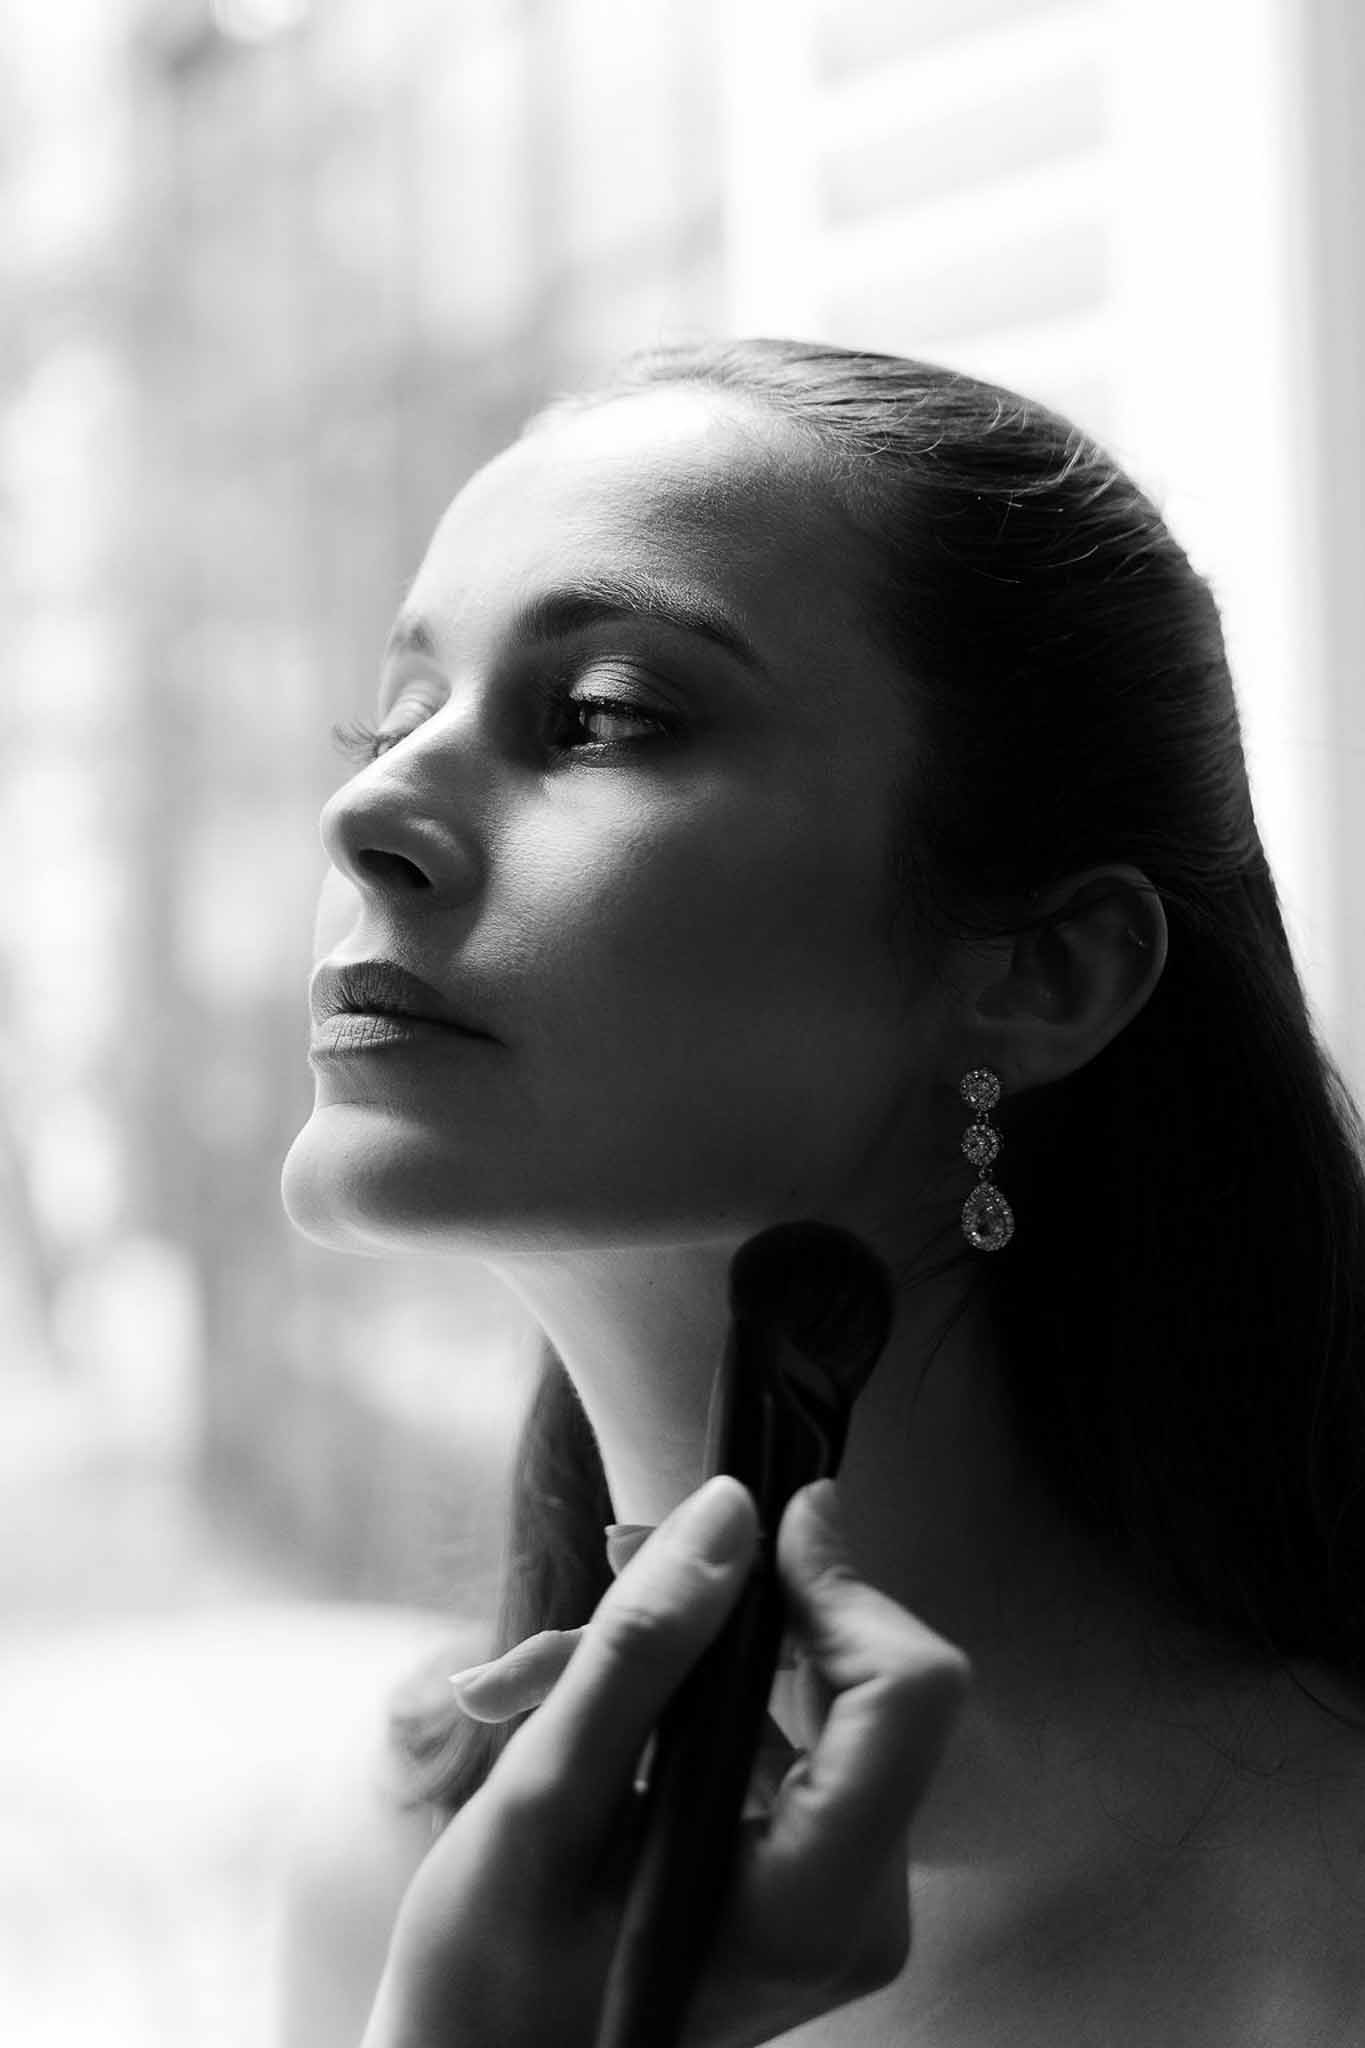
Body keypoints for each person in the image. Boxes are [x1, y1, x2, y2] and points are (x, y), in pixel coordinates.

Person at [276, 338, 1365, 2044]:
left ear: (1046, 972)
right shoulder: (420, 1875)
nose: (367, 810)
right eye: (399, 718)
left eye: (606, 716)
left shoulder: (1319, 1915)